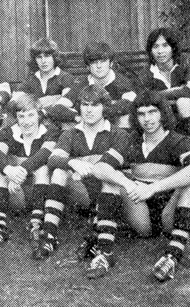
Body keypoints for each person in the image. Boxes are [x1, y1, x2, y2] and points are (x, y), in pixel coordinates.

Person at [92, 90, 190, 281]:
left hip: (170, 211)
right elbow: (99, 167)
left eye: (152, 112)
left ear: (163, 113)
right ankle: (104, 253)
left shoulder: (178, 140)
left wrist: (153, 188)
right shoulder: (131, 139)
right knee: (111, 180)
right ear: (135, 117)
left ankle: (172, 255)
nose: (147, 119)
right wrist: (127, 183)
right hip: (141, 212)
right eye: (141, 114)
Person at [42, 85, 128, 260]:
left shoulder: (118, 133)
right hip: (83, 190)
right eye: (85, 104)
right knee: (59, 171)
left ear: (104, 107)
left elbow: (109, 164)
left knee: (110, 179)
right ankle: (49, 236)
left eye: (95, 105)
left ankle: (100, 238)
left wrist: (84, 164)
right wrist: (72, 162)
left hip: (111, 191)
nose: (89, 110)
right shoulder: (70, 133)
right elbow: (53, 159)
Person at [0, 94, 59, 255]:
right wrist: (9, 170)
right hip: (15, 191)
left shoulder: (50, 131)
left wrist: (21, 170)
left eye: (31, 115)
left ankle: (36, 224)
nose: (26, 121)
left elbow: (44, 154)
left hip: (40, 192)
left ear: (39, 115)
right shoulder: (9, 131)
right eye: (21, 116)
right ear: (16, 117)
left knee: (42, 168)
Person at [138, 28, 190, 136]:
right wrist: (179, 90)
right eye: (155, 46)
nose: (160, 51)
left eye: (165, 45)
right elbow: (144, 100)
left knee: (183, 103)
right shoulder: (146, 72)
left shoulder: (187, 61)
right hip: (165, 117)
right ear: (150, 50)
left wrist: (158, 95)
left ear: (173, 47)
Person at [67, 42, 136, 129]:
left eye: (103, 61)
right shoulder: (82, 83)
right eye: (94, 62)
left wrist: (93, 113)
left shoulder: (123, 82)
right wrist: (76, 117)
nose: (98, 66)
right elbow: (58, 107)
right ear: (88, 66)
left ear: (111, 63)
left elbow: (129, 104)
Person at [12, 38, 77, 125]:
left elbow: (64, 105)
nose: (43, 61)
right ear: (35, 60)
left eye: (47, 56)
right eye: (39, 57)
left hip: (58, 124)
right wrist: (53, 99)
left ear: (54, 57)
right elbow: (14, 102)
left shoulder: (66, 78)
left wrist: (34, 103)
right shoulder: (30, 79)